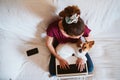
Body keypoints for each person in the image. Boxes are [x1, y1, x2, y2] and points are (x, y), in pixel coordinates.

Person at [46, 5, 94, 76]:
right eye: (78, 36)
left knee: (90, 68)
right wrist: (59, 58)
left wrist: (81, 57)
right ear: (67, 33)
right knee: (53, 72)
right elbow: (49, 44)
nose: (81, 36)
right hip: (60, 47)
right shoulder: (53, 28)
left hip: (78, 46)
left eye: (81, 35)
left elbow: (90, 42)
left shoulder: (80, 27)